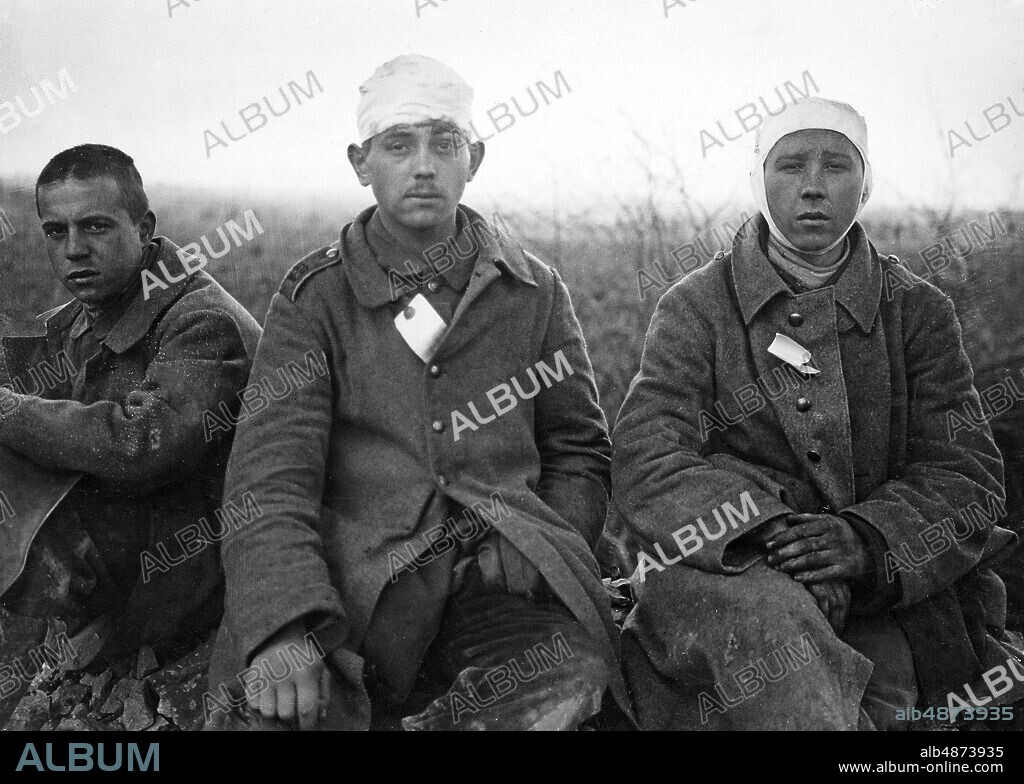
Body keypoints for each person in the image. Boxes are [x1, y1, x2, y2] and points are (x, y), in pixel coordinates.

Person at [205, 55, 631, 731]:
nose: (424, 165)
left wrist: (541, 550)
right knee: (269, 711)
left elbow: (578, 446)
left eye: (445, 142)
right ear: (360, 161)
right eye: (399, 144)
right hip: (355, 589)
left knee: (568, 679)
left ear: (476, 158)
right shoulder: (316, 297)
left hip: (496, 592)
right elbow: (269, 478)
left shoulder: (534, 289)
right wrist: (283, 626)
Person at [608, 97, 1023, 730]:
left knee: (903, 707)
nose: (810, 187)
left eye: (835, 166)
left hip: (891, 588)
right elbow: (648, 455)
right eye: (789, 165)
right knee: (789, 678)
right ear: (760, 181)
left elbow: (965, 471)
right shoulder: (695, 307)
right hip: (730, 575)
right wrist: (772, 534)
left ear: (865, 183)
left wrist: (863, 540)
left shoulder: (917, 311)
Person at [0, 144, 261, 666]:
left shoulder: (201, 321)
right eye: (56, 231)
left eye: (95, 227)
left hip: (193, 566)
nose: (74, 249)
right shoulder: (76, 319)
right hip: (134, 542)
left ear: (144, 229)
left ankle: (103, 632)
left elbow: (142, 446)